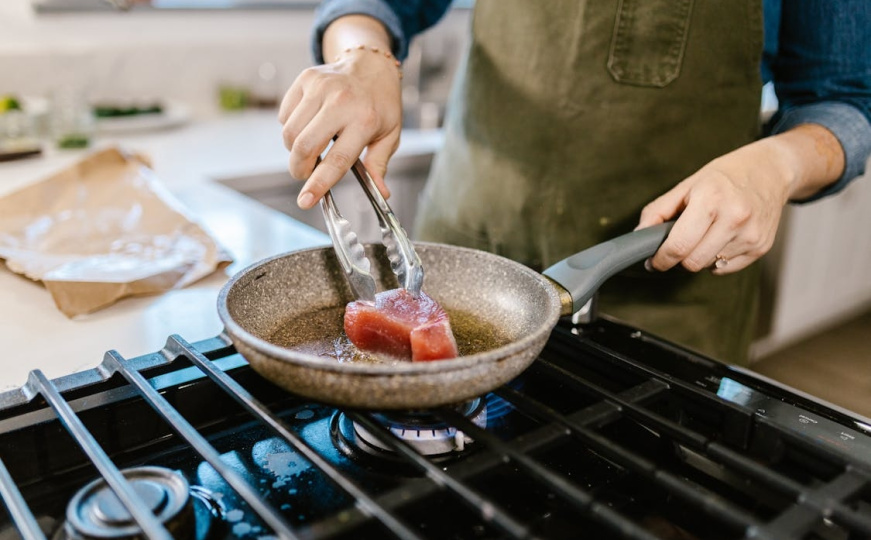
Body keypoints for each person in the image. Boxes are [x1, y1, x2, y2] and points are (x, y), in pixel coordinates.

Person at [278, 0, 871, 365]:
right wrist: (359, 55)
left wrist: (778, 165)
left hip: (666, 297)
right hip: (468, 254)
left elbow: (844, 103)